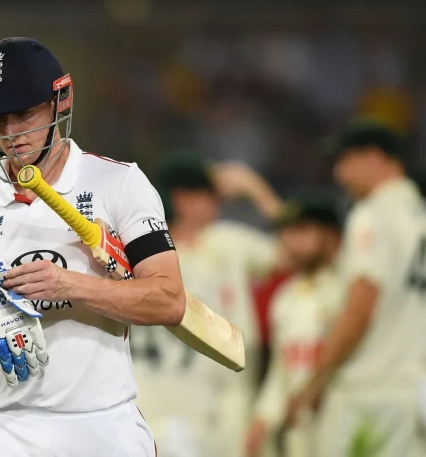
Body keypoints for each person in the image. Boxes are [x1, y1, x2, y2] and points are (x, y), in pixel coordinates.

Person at [0, 36, 192, 457]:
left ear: (59, 100)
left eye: (24, 114)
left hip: (103, 422)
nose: (11, 135)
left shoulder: (119, 183)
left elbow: (170, 300)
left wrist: (72, 285)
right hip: (4, 428)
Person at [285, 120, 426, 457]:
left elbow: (361, 306)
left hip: (366, 394)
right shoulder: (420, 217)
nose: (339, 174)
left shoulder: (372, 215)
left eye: (345, 161)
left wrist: (315, 382)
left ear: (375, 157)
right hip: (410, 393)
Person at [132, 152, 283, 457]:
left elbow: (297, 250)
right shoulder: (139, 252)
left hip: (221, 402)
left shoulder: (227, 242)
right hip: (155, 401)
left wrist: (256, 190)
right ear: (183, 198)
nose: (216, 203)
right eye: (207, 195)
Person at [245, 196, 344, 457]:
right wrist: (262, 418)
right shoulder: (286, 297)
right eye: (287, 232)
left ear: (332, 235)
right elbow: (282, 368)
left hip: (341, 418)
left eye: (301, 231)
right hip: (299, 430)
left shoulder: (349, 289)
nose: (290, 240)